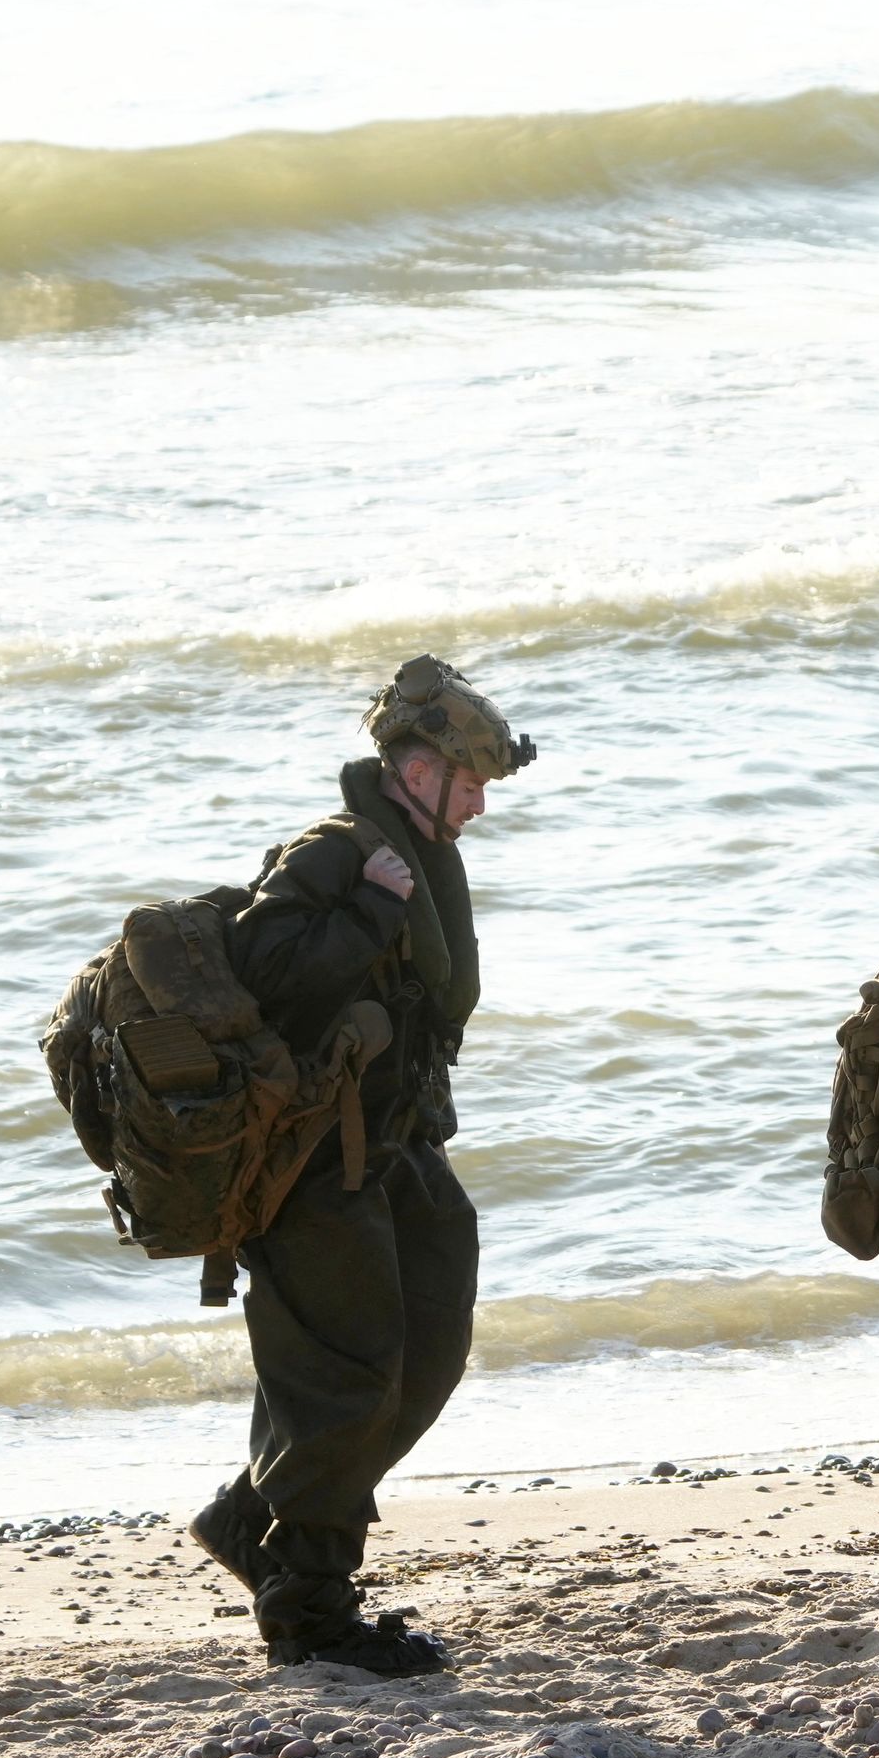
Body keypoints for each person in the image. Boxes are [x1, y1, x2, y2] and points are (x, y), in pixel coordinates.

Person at [186, 654, 533, 1676]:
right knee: (343, 1379)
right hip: (311, 1164)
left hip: (395, 1147)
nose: (477, 802)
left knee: (427, 1354)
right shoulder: (336, 854)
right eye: (467, 782)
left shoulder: (422, 853)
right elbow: (270, 973)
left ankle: (256, 1514)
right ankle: (309, 1610)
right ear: (417, 770)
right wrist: (368, 912)